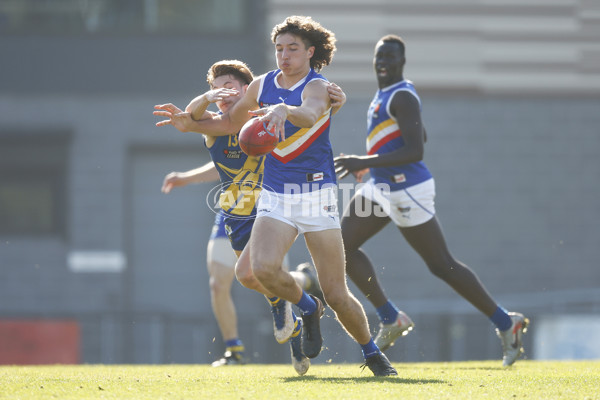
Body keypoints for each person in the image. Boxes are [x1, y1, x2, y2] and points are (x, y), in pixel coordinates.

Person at [154, 16, 397, 376]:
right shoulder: (261, 84)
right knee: (259, 269)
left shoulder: (319, 86)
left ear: (310, 51)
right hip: (277, 194)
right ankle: (307, 307)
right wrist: (191, 125)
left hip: (316, 193)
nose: (284, 55)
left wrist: (285, 110)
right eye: (279, 48)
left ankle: (372, 353)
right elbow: (230, 124)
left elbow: (311, 113)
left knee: (337, 292)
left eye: (293, 49)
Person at [334, 34, 529, 367]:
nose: (383, 62)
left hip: (409, 188)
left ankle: (505, 322)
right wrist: (373, 165)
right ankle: (390, 317)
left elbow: (416, 149)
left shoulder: (403, 95)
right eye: (379, 57)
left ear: (402, 61)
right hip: (382, 186)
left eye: (390, 57)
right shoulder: (387, 94)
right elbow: (417, 134)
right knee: (341, 247)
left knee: (442, 265)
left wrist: (364, 161)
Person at [157, 59, 336, 374]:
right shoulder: (215, 125)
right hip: (234, 215)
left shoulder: (264, 119)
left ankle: (294, 311)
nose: (222, 92)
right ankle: (297, 303)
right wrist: (205, 98)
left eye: (229, 86)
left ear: (247, 89)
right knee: (253, 280)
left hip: (270, 211)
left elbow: (306, 126)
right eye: (216, 87)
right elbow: (192, 118)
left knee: (249, 273)